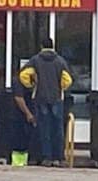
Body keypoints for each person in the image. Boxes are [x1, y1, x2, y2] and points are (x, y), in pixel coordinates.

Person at [18, 37, 73, 166]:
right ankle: (58, 157)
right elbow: (68, 80)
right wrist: (61, 87)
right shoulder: (60, 61)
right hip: (57, 98)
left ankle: (46, 157)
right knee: (57, 128)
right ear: (53, 46)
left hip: (40, 98)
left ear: (42, 46)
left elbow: (23, 75)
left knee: (44, 128)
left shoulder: (35, 60)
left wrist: (31, 84)